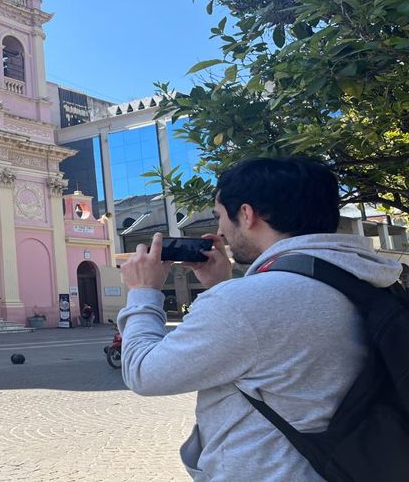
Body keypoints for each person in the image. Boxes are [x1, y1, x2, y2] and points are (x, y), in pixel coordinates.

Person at [116, 157, 403, 481]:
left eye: (220, 217)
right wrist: (225, 287)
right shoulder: (371, 278)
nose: (221, 231)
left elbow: (144, 372)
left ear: (247, 214)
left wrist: (143, 291)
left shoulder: (247, 304)